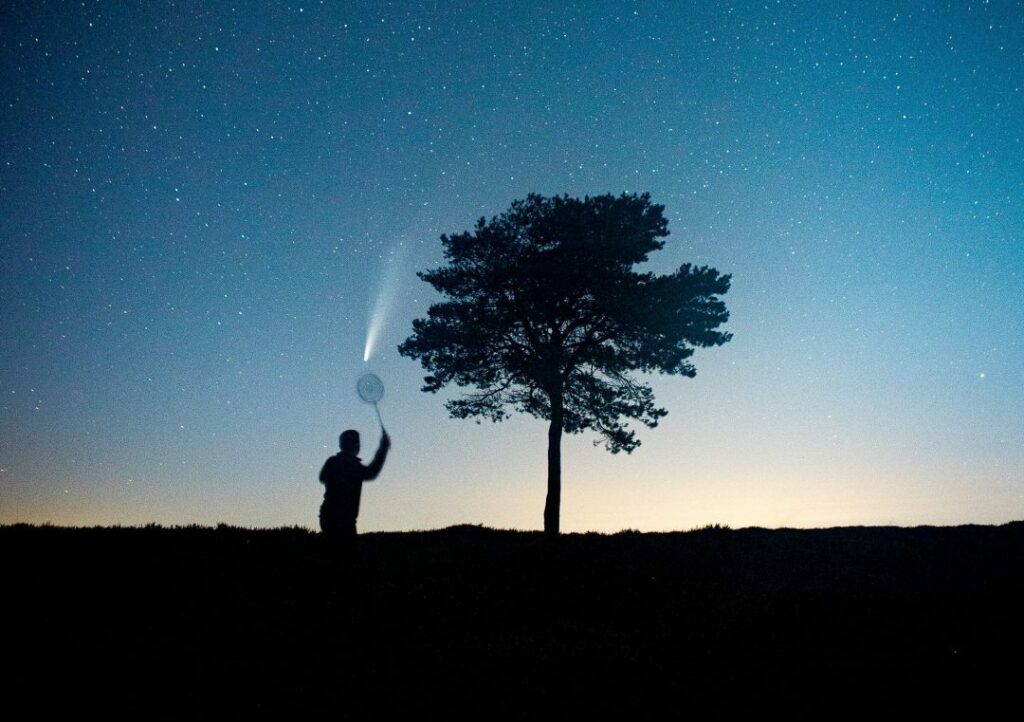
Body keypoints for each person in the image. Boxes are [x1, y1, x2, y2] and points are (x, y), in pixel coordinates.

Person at [319, 429, 390, 544]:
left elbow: (322, 477)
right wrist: (383, 448)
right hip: (344, 520)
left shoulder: (332, 462)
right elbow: (372, 472)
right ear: (355, 445)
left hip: (327, 515)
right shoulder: (354, 466)